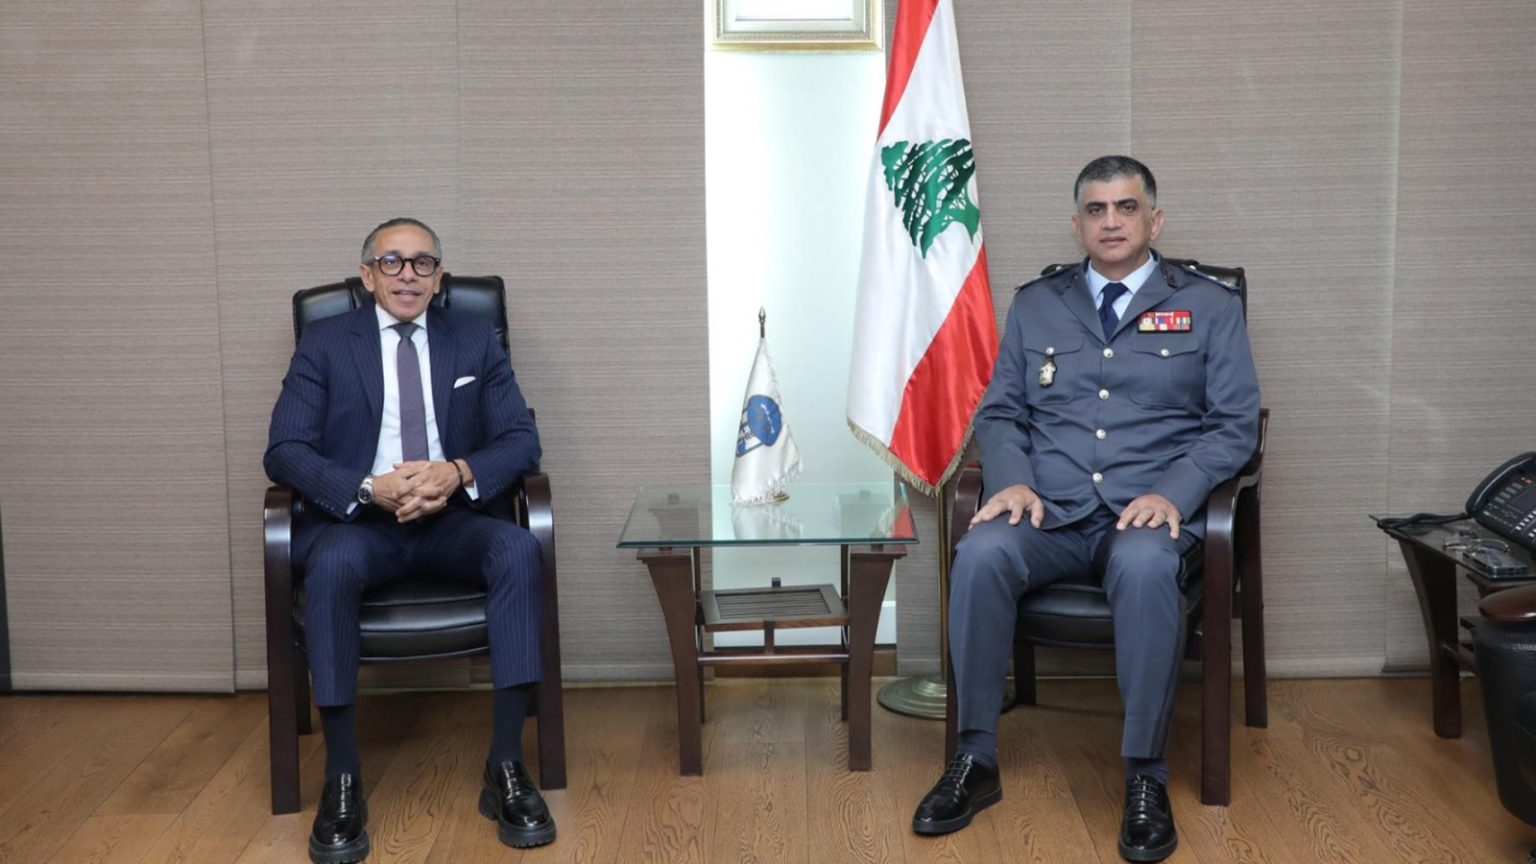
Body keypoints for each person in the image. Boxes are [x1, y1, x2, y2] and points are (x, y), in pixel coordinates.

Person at [911, 156, 1260, 862]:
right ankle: (974, 759)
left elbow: (1235, 425)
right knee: (980, 552)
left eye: (1126, 207)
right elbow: (1001, 412)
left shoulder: (1209, 307)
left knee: (1145, 568)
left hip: (1147, 516)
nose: (1111, 221)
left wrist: (1173, 493)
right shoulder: (1037, 304)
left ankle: (1145, 776)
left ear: (1154, 220)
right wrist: (1011, 479)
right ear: (1077, 226)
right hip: (1051, 513)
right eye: (1096, 210)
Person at [265, 218, 554, 863]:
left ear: (439, 278)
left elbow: (520, 439)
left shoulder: (473, 339)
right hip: (361, 525)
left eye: (422, 263)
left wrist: (457, 473)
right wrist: (370, 488)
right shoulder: (325, 343)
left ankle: (506, 766)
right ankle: (342, 777)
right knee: (331, 566)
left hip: (451, 521)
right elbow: (284, 448)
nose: (407, 275)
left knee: (517, 549)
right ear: (367, 275)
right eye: (391, 262)